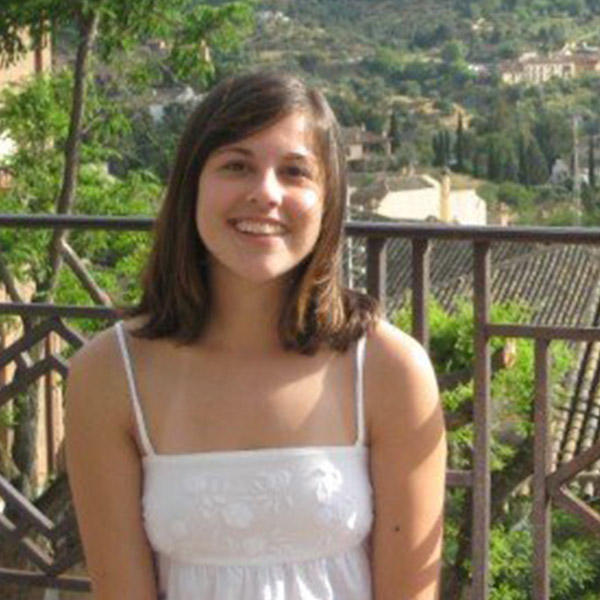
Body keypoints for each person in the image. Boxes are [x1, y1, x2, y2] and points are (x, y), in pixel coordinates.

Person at [65, 71, 446, 600]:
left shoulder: (388, 369)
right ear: (191, 186)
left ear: (328, 202)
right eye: (236, 165)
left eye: (294, 172)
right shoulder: (109, 374)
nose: (265, 193)